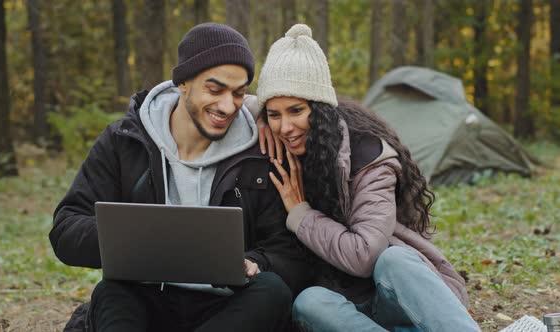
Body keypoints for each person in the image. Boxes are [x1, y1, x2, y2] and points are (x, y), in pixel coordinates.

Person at [50, 23, 311, 332]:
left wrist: (255, 262)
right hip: (146, 296)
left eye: (238, 93)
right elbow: (66, 227)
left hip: (226, 305)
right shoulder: (125, 140)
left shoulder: (260, 151)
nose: (227, 106)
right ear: (183, 83)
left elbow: (287, 250)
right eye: (215, 90)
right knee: (111, 291)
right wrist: (128, 239)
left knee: (272, 292)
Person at [256, 23, 481, 332]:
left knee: (394, 259)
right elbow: (224, 102)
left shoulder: (369, 157)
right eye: (274, 114)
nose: (285, 127)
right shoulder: (276, 140)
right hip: (352, 310)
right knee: (308, 302)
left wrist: (301, 214)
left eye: (296, 110)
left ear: (319, 109)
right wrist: (254, 117)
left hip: (401, 298)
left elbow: (365, 256)